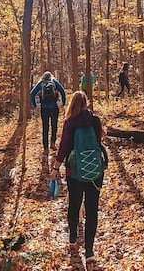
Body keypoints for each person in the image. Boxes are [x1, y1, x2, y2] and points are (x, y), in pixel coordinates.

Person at [50, 91, 107, 264]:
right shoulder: (95, 120)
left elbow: (64, 147)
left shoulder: (70, 122)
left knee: (74, 205)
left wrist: (55, 168)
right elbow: (99, 141)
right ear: (86, 103)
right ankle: (89, 250)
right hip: (95, 172)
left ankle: (73, 239)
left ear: (72, 104)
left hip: (74, 171)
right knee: (92, 209)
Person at [30, 71, 67, 151]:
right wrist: (62, 103)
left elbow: (32, 94)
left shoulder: (41, 83)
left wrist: (35, 105)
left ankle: (45, 148)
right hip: (54, 108)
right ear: (51, 76)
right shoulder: (54, 82)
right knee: (54, 126)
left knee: (45, 127)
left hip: (44, 108)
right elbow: (63, 91)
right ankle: (53, 143)